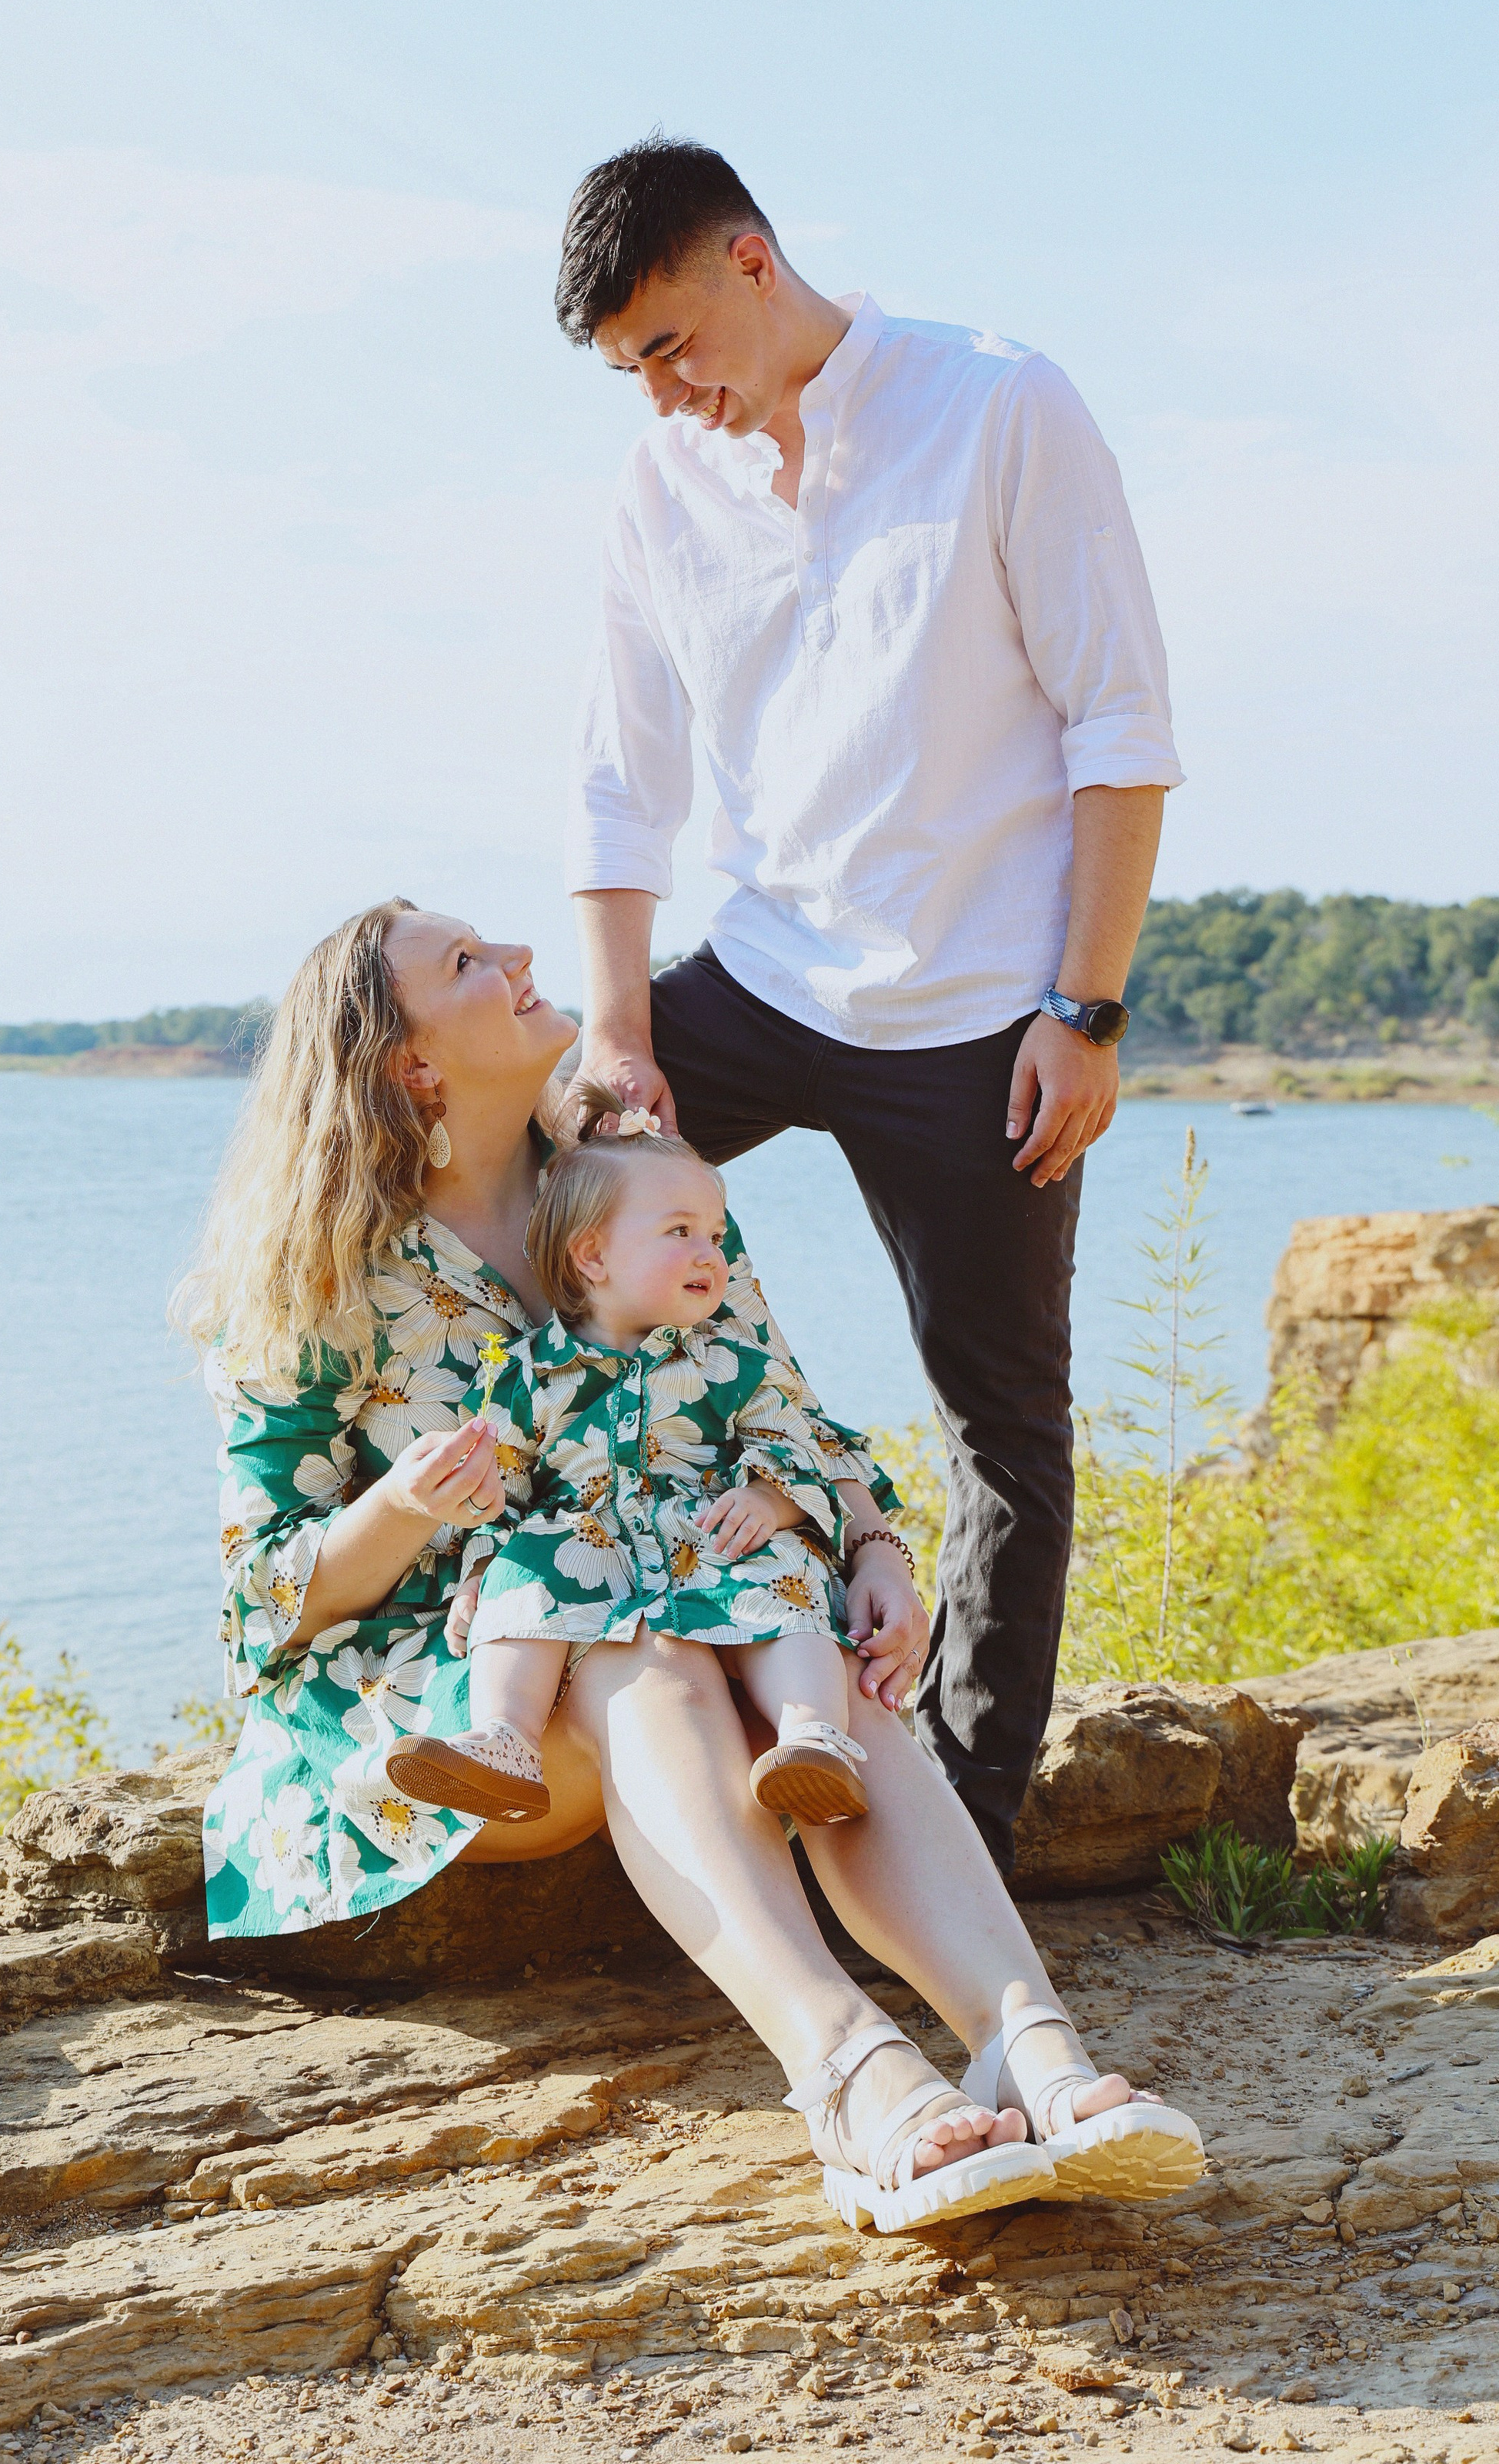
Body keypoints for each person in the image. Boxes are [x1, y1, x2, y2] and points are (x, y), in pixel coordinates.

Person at [175, 899, 1203, 2232]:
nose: (523, 959)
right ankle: (846, 2071)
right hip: (470, 1690)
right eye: (469, 967)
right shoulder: (321, 1276)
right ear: (409, 1064)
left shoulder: (641, 1181)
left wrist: (870, 1545)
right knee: (631, 1637)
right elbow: (265, 1597)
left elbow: (777, 1405)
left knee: (825, 1664)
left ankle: (1029, 2042)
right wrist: (407, 1506)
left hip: (697, 1598)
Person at [556, 136, 1184, 1876]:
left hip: (987, 1015)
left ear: (752, 259)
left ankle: (971, 1816)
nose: (662, 394)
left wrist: (1089, 1004)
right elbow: (620, 782)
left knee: (1004, 1423)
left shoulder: (997, 404)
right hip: (754, 986)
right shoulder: (655, 485)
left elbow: (1116, 729)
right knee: (498, 1178)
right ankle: (533, 1664)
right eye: (627, 370)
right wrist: (616, 1033)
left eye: (671, 343)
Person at [383, 1082, 884, 1830]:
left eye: (715, 1236)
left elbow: (793, 1440)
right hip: (588, 1548)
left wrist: (770, 1501)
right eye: (680, 1231)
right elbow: (502, 1485)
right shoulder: (528, 1373)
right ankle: (505, 1741)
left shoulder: (733, 1361)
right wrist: (480, 1570)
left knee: (785, 1584)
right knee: (522, 1578)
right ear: (592, 1255)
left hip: (717, 1534)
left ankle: (813, 1736)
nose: (710, 1254)